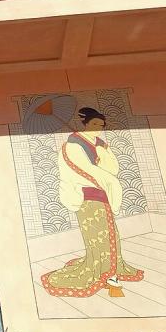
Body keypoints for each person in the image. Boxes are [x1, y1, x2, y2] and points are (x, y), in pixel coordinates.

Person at [41, 107, 143, 298]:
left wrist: (102, 153)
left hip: (102, 192)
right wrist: (108, 181)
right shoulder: (73, 145)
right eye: (95, 124)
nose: (98, 128)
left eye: (101, 125)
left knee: (111, 236)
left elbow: (112, 168)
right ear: (86, 123)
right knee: (96, 237)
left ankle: (110, 274)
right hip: (87, 194)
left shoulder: (100, 144)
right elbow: (82, 169)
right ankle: (110, 279)